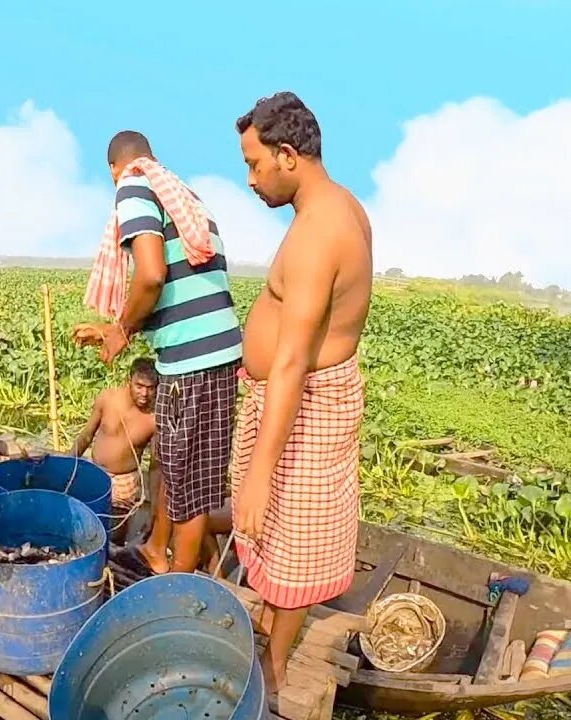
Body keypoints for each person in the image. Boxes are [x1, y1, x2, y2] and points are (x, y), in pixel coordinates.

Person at [223, 91, 372, 693]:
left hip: (302, 404)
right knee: (285, 536)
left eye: (255, 165)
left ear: (287, 155)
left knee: (291, 539)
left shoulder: (320, 232)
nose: (251, 180)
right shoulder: (339, 208)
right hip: (300, 396)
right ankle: (271, 632)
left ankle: (275, 665)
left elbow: (289, 361)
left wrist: (260, 473)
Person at [75, 130, 244, 576]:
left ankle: (176, 583)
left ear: (114, 168)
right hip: (216, 355)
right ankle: (155, 549)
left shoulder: (133, 185)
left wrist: (122, 330)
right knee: (182, 472)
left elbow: (151, 276)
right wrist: (118, 328)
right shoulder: (182, 195)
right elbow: (176, 288)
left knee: (186, 487)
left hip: (191, 363)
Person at [71, 357, 158, 545]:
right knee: (85, 528)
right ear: (129, 381)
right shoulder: (108, 398)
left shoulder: (153, 419)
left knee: (114, 536)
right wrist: (68, 465)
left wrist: (154, 509)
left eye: (150, 388)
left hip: (125, 482)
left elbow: (155, 466)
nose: (145, 393)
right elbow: (86, 435)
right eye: (139, 386)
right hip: (95, 472)